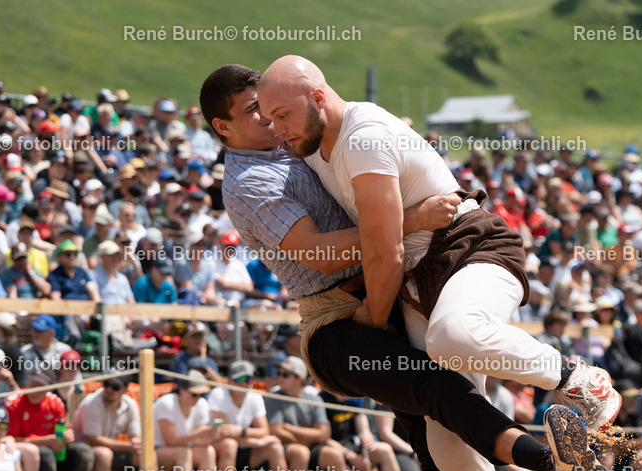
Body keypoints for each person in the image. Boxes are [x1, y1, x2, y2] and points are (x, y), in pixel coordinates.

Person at [201, 64, 605, 471]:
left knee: (446, 460)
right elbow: (321, 253)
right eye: (255, 113)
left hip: (383, 300)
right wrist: (409, 220)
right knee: (442, 394)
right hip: (339, 322)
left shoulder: (306, 144)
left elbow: (364, 157)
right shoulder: (252, 180)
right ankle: (552, 462)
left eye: (275, 111)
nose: (271, 123)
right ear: (222, 128)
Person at [257, 55, 620, 425]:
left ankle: (577, 379)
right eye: (269, 118)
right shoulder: (312, 144)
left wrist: (373, 324)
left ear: (318, 98)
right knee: (448, 435)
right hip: (417, 280)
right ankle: (551, 453)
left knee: (452, 336)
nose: (277, 129)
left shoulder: (362, 138)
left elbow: (385, 251)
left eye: (283, 115)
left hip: (467, 249)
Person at [209, 360, 308, 471]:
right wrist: (254, 440)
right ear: (230, 381)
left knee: (274, 446)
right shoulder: (219, 395)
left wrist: (242, 432)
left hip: (245, 450)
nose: (246, 383)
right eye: (240, 379)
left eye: (248, 379)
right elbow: (223, 434)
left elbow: (263, 431)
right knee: (230, 445)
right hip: (220, 451)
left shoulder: (254, 397)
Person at [265, 356, 352, 471]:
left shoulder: (314, 398)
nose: (280, 378)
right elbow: (276, 431)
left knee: (334, 454)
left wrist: (291, 429)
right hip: (285, 450)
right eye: (279, 373)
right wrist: (308, 436)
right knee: (300, 452)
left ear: (300, 379)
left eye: (285, 375)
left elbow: (323, 434)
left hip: (309, 447)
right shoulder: (273, 398)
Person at [6, 368, 95, 471]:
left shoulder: (56, 403)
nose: (35, 390)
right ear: (28, 381)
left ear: (50, 389)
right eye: (33, 384)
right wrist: (46, 441)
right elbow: (10, 440)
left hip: (56, 453)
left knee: (84, 452)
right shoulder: (14, 403)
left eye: (40, 386)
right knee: (45, 453)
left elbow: (64, 428)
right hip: (26, 455)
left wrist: (68, 435)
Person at [152, 369, 220, 471]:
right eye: (194, 394)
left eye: (200, 394)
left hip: (182, 452)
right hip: (155, 454)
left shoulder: (201, 404)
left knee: (208, 452)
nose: (198, 398)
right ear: (181, 390)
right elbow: (170, 441)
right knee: (183, 453)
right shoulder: (166, 403)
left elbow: (199, 442)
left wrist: (212, 437)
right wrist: (197, 435)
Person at [72, 375, 141, 471]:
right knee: (104, 454)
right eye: (106, 384)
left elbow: (135, 436)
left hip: (110, 450)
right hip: (81, 452)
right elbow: (94, 440)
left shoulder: (130, 403)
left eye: (115, 387)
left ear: (125, 389)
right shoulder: (92, 402)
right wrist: (129, 446)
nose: (109, 389)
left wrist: (136, 444)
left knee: (146, 453)